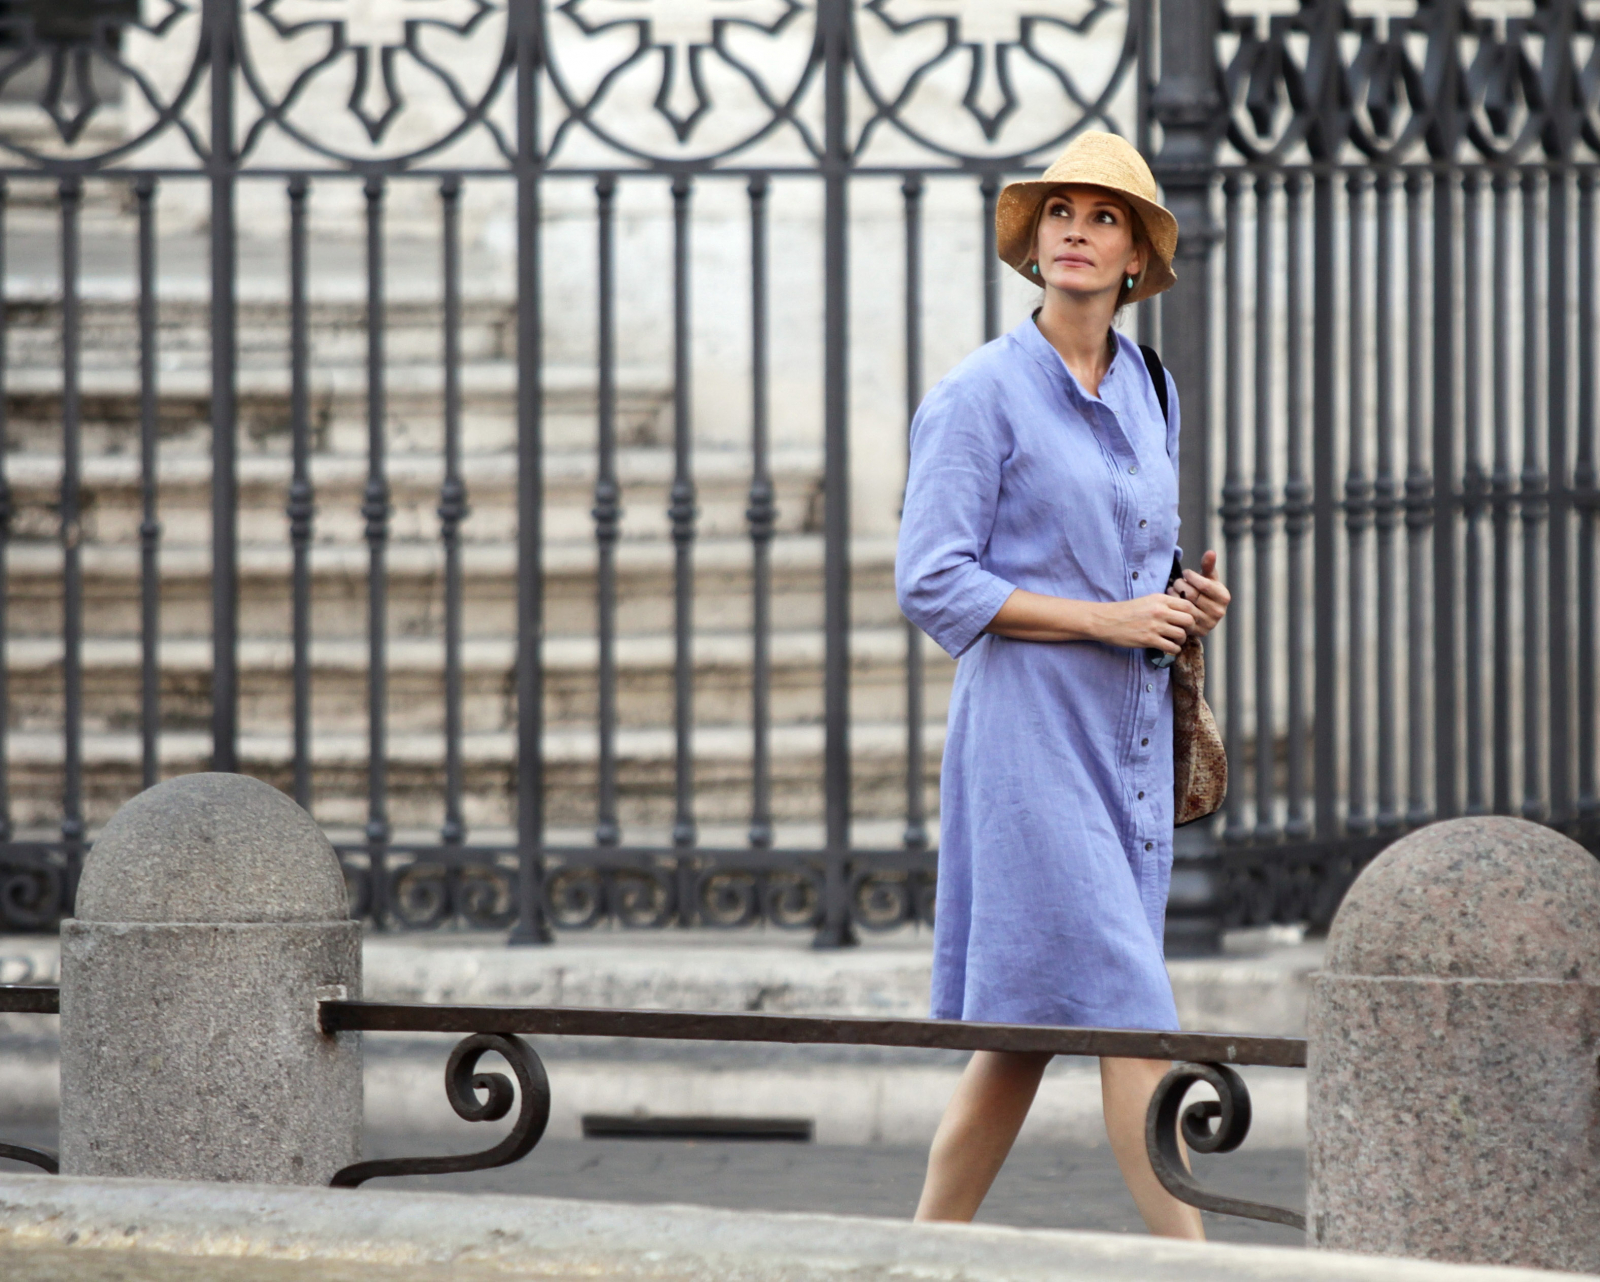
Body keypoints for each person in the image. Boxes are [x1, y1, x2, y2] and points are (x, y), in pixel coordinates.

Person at [896, 131, 1231, 1236]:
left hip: (1125, 741)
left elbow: (1132, 559)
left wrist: (1180, 603)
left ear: (1136, 254)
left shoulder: (1150, 386)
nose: (1076, 233)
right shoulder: (978, 395)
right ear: (1033, 245)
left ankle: (916, 1255)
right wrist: (1107, 616)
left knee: (1020, 1038)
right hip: (1030, 740)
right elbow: (933, 579)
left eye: (1102, 217)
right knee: (1133, 1013)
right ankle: (1206, 1267)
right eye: (1059, 215)